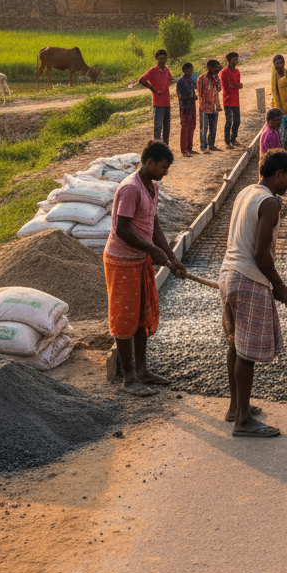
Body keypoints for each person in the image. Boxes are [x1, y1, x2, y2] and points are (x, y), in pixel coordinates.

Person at [219, 149, 287, 437]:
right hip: (249, 278)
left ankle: (235, 407)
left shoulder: (246, 192)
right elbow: (261, 253)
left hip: (228, 274)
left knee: (236, 345)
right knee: (247, 352)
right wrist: (278, 284)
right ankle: (242, 420)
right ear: (278, 174)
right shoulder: (269, 203)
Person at [103, 141, 186, 396]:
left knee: (140, 316)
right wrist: (152, 250)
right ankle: (129, 379)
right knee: (125, 318)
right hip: (122, 260)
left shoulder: (152, 188)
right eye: (163, 167)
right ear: (149, 163)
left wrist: (171, 257)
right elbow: (122, 229)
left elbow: (154, 225)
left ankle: (142, 371)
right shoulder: (130, 188)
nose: (166, 172)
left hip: (140, 260)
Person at [138, 49, 173, 143]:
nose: (163, 60)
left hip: (166, 101)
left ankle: (165, 146)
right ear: (156, 59)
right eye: (160, 58)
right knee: (158, 126)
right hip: (157, 102)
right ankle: (157, 146)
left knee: (167, 126)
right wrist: (152, 89)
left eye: (164, 58)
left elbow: (170, 79)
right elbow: (141, 80)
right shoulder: (153, 70)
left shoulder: (166, 70)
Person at [197, 59, 222, 153]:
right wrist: (206, 102)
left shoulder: (216, 77)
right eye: (215, 68)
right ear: (209, 67)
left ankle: (211, 145)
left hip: (215, 106)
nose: (217, 70)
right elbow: (200, 93)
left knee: (213, 127)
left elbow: (219, 89)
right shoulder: (202, 78)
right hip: (204, 107)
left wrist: (216, 80)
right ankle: (203, 147)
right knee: (204, 127)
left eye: (217, 68)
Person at [220, 52, 242, 148]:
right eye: (234, 60)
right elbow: (226, 86)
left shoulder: (237, 71)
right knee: (229, 121)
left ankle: (233, 139)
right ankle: (227, 142)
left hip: (235, 100)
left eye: (236, 60)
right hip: (228, 100)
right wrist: (236, 86)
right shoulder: (224, 72)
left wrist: (236, 86)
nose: (236, 62)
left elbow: (235, 84)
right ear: (229, 61)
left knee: (237, 121)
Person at [176, 62, 197, 157]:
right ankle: (184, 149)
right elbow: (180, 96)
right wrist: (190, 97)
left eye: (192, 70)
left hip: (192, 106)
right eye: (189, 70)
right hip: (184, 108)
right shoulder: (181, 81)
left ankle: (189, 147)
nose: (191, 72)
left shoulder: (191, 80)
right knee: (185, 128)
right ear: (184, 71)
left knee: (192, 126)